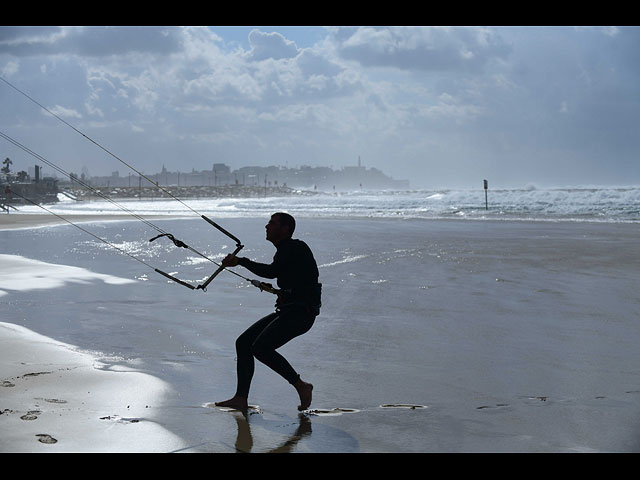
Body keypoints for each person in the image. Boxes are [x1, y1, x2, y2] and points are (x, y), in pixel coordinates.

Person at [215, 212, 322, 412]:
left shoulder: (294, 247)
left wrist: (241, 261)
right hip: (291, 310)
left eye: (272, 223)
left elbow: (272, 272)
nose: (266, 226)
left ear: (285, 229)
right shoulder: (285, 250)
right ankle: (240, 398)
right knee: (244, 343)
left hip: (301, 313)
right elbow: (288, 277)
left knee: (260, 348)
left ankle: (302, 386)